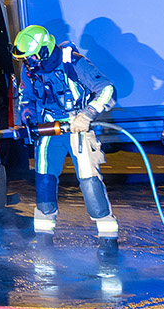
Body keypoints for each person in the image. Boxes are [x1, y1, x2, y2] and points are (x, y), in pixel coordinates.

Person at [12, 25, 120, 257]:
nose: (28, 62)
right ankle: (43, 239)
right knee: (44, 180)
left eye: (31, 56)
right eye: (25, 58)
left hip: (77, 126)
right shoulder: (30, 69)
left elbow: (108, 90)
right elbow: (27, 98)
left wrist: (87, 114)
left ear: (44, 49)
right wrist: (27, 116)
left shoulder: (74, 62)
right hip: (50, 129)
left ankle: (108, 238)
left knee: (89, 181)